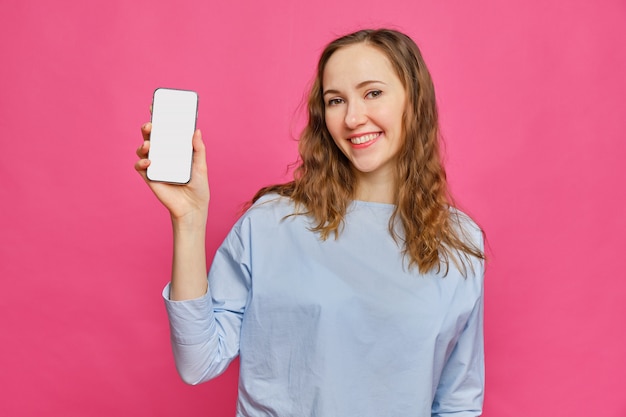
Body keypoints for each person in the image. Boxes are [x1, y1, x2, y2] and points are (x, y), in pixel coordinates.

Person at [135, 28, 486, 417]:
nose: (353, 118)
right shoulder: (272, 222)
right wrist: (188, 220)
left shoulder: (458, 241)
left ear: (414, 101)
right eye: (336, 100)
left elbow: (457, 401)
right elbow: (198, 362)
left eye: (373, 93)